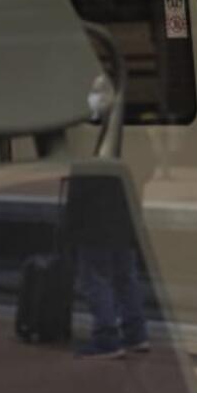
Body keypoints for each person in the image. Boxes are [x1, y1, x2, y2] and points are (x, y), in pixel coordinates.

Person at [66, 46, 149, 360]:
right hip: (123, 213)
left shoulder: (93, 133)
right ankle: (136, 333)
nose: (93, 97)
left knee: (96, 276)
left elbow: (82, 179)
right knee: (125, 275)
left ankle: (106, 338)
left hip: (97, 218)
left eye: (98, 91)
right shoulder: (130, 127)